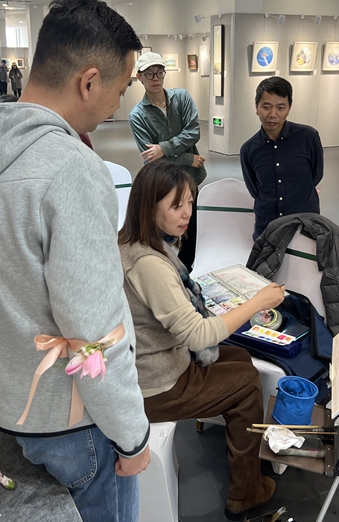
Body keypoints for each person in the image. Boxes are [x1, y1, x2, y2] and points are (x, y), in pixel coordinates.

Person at [0, 1, 150, 521]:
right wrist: (132, 435)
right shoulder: (71, 169)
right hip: (74, 421)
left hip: (6, 401)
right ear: (89, 81)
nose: (118, 105)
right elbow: (94, 333)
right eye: (121, 89)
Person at [118, 160, 285, 522]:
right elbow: (197, 334)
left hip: (150, 364)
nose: (187, 214)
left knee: (239, 358)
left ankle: (242, 454)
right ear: (149, 207)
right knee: (246, 382)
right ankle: (245, 493)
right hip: (156, 385)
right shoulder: (150, 264)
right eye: (176, 205)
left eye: (190, 203)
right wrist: (256, 303)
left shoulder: (131, 242)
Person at [129, 52, 205, 272]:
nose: (155, 78)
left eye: (159, 72)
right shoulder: (137, 116)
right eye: (149, 73)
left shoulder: (181, 98)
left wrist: (163, 148)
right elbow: (151, 157)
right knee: (162, 230)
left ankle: (186, 272)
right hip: (161, 183)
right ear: (139, 77)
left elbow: (194, 132)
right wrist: (188, 158)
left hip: (189, 179)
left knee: (189, 226)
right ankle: (162, 271)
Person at [240, 76, 324, 240]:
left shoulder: (308, 137)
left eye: (280, 107)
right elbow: (254, 190)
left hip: (305, 226)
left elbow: (316, 175)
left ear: (289, 107)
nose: (273, 114)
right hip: (267, 227)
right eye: (266, 107)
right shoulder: (248, 150)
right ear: (256, 107)